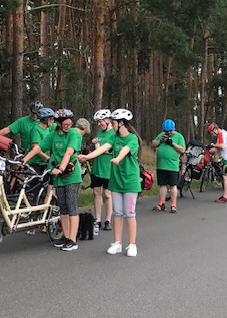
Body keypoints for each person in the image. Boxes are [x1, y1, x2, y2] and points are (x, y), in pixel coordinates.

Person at [79, 109, 141, 257]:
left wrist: (118, 159)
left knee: (129, 213)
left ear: (121, 123)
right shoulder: (114, 138)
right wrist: (87, 157)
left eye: (114, 122)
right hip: (116, 181)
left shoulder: (132, 139)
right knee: (117, 213)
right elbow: (103, 149)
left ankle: (132, 244)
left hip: (130, 181)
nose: (111, 125)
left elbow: (125, 151)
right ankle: (117, 243)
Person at [23, 108, 83, 252]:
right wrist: (24, 160)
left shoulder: (74, 133)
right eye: (65, 123)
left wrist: (61, 168)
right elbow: (38, 148)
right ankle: (66, 236)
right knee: (62, 206)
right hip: (58, 176)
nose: (68, 125)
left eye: (69, 122)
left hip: (71, 175)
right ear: (59, 123)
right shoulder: (53, 135)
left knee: (71, 206)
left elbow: (69, 152)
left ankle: (73, 240)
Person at [88, 109, 115, 234]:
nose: (99, 124)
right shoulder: (99, 133)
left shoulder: (114, 134)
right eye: (98, 122)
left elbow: (113, 151)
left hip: (108, 169)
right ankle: (97, 218)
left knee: (108, 195)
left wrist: (101, 149)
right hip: (97, 168)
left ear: (108, 120)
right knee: (96, 193)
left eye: (101, 122)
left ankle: (108, 219)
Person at [151, 118, 185, 213]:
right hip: (161, 165)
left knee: (173, 185)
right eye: (166, 131)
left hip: (172, 166)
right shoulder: (162, 135)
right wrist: (160, 141)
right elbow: (153, 144)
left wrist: (172, 143)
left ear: (174, 129)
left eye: (170, 131)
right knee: (162, 185)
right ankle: (161, 203)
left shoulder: (179, 136)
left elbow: (182, 150)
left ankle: (173, 205)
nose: (169, 133)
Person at [207, 123, 227, 203]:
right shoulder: (225, 133)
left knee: (226, 177)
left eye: (212, 133)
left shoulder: (220, 134)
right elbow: (219, 148)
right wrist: (211, 150)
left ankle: (225, 197)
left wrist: (213, 145)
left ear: (215, 130)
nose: (212, 135)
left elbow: (222, 146)